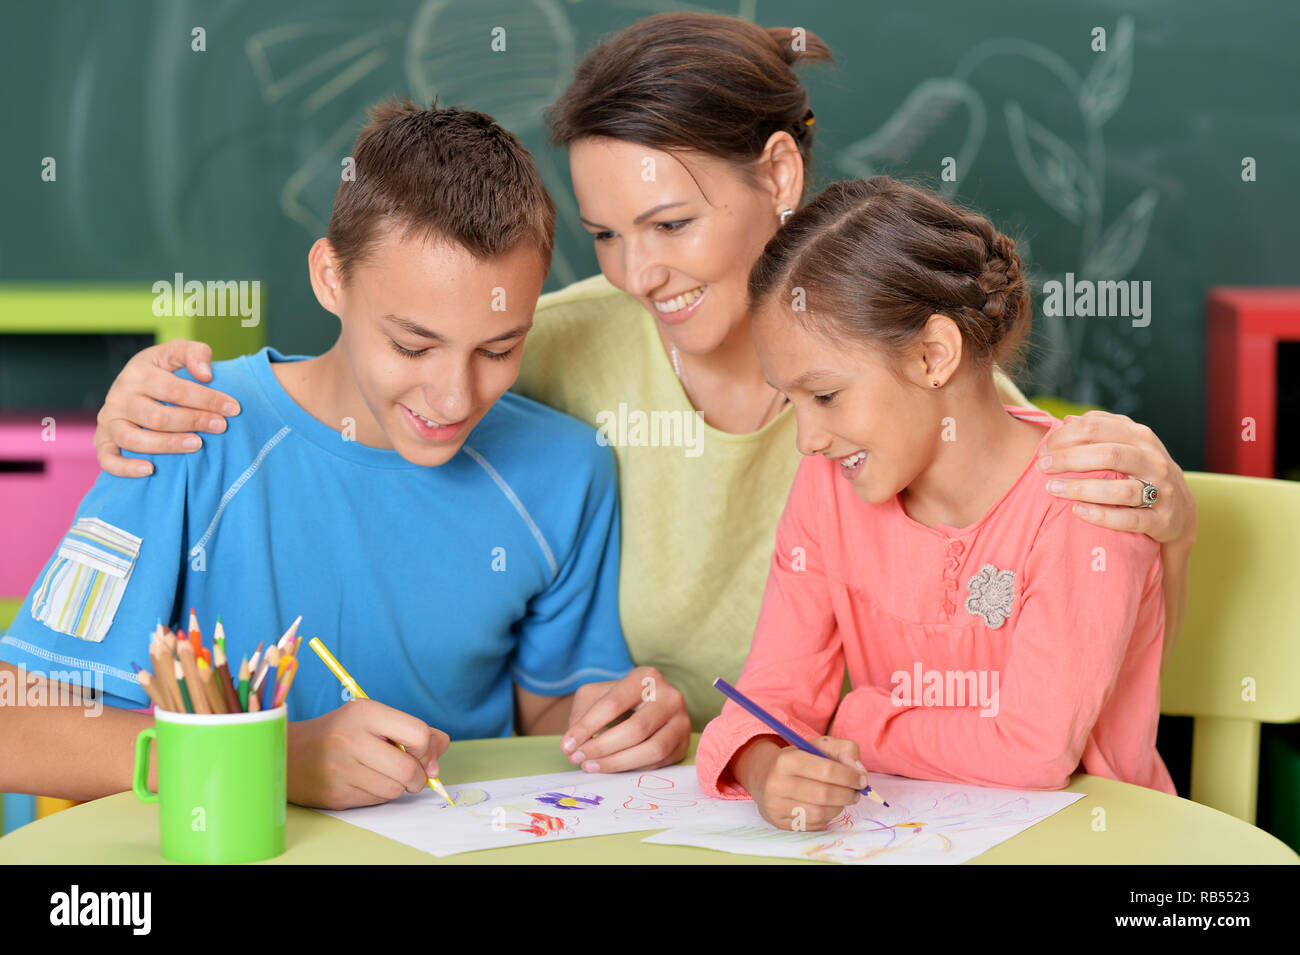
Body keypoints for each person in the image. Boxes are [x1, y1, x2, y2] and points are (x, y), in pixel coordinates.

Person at [83, 13, 1196, 751]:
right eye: (607, 233)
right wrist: (160, 395)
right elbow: (377, 365)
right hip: (662, 810)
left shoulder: (897, 366)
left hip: (852, 807)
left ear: (779, 170)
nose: (636, 274)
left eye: (670, 223)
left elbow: (1043, 574)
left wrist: (1161, 514)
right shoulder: (540, 345)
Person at [0, 102, 689, 810]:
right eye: (412, 345)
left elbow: (551, 717)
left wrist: (618, 724)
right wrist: (269, 760)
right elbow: (14, 726)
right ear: (331, 277)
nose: (454, 397)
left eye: (499, 347)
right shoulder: (185, 429)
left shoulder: (567, 471)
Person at [697, 177, 1175, 831]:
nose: (807, 440)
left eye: (826, 396)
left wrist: (861, 720)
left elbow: (1034, 750)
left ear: (933, 354)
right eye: (791, 401)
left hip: (1099, 844)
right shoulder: (828, 493)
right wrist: (767, 768)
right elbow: (767, 698)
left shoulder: (1088, 494)